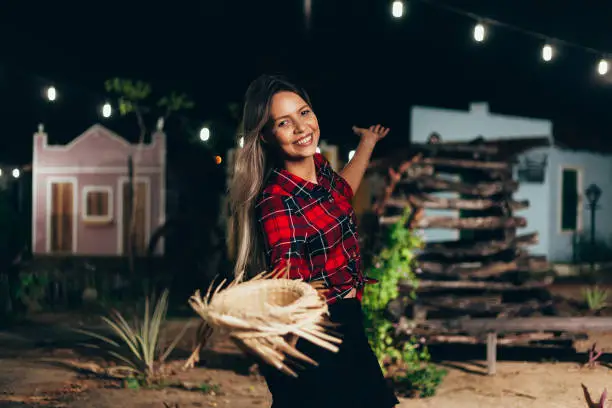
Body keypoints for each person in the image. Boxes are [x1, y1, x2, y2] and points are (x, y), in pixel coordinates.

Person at [229, 74, 399, 408]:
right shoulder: (276, 201)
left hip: (346, 321)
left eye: (304, 112)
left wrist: (367, 144)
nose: (300, 127)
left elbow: (342, 194)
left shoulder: (320, 172)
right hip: (315, 333)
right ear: (265, 136)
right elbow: (287, 282)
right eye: (283, 122)